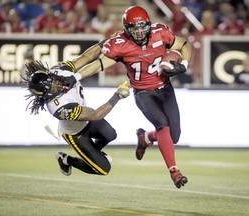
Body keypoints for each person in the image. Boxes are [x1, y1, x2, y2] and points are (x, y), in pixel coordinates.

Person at [60, 6, 192, 188]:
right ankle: (174, 171)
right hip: (143, 92)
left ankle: (145, 138)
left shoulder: (160, 32)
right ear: (126, 28)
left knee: (174, 136)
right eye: (134, 28)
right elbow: (99, 64)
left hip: (165, 88)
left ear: (148, 25)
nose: (139, 32)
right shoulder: (119, 43)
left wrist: (184, 64)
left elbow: (184, 45)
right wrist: (75, 76)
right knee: (163, 124)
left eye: (142, 27)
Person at [23, 61, 130, 176]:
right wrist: (117, 96)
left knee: (110, 134)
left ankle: (94, 154)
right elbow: (96, 115)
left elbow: (86, 57)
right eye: (51, 88)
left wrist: (104, 48)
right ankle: (66, 159)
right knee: (103, 169)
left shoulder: (61, 71)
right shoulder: (58, 107)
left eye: (52, 81)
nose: (56, 85)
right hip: (75, 134)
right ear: (46, 95)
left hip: (87, 121)